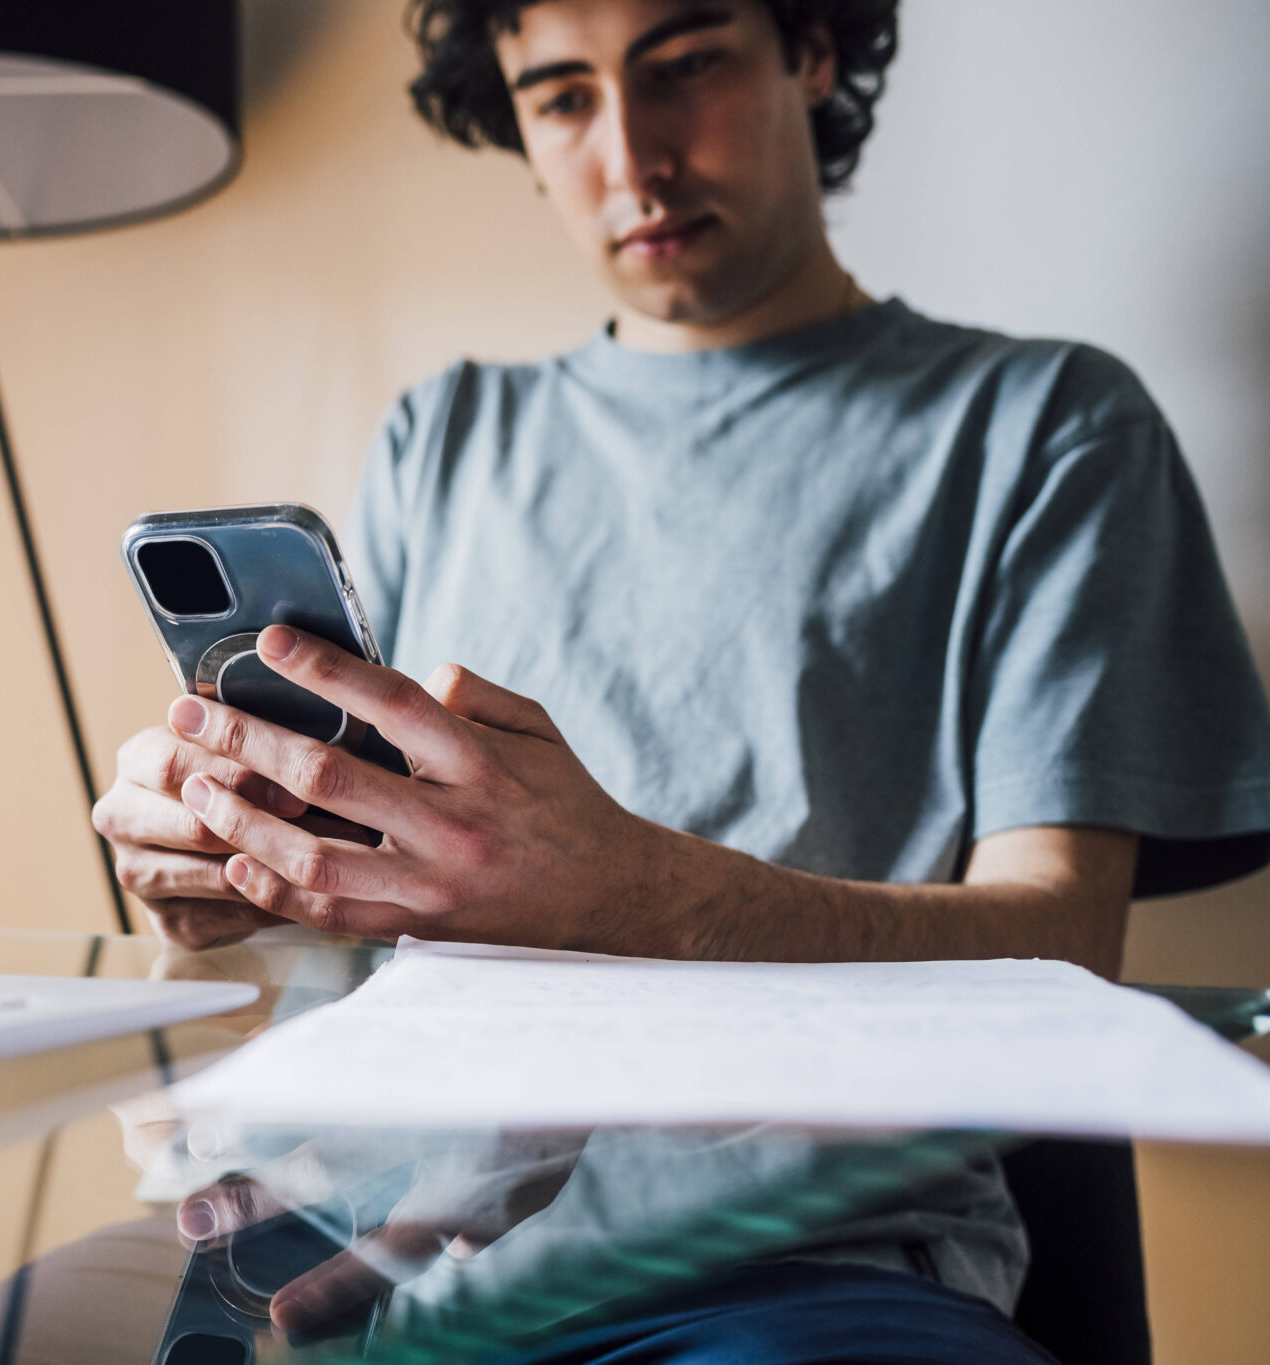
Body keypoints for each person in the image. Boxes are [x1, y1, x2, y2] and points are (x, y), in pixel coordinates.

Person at [94, 0, 1270, 1358]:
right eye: (563, 97)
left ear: (814, 51)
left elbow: (1064, 943)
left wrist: (632, 891)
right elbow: (352, 937)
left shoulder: (1047, 427)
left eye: (688, 65)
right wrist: (219, 876)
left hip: (822, 1278)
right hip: (421, 1278)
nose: (633, 161)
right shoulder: (443, 439)